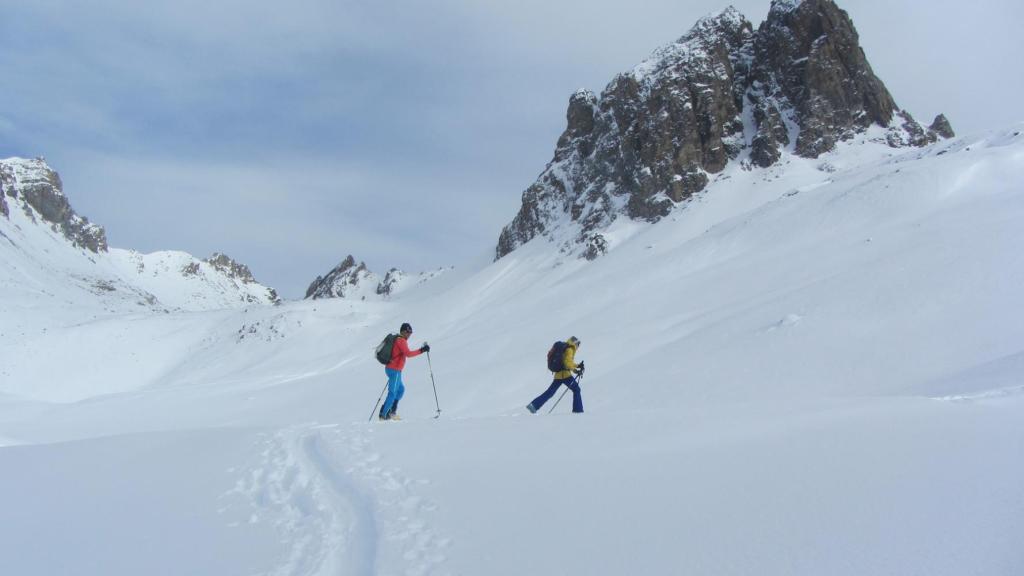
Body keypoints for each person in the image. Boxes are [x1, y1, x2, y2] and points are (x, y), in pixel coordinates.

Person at [380, 322, 430, 421]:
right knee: (392, 393)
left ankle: (391, 411)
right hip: (395, 370)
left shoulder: (398, 339)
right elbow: (408, 354)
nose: (409, 334)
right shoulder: (401, 340)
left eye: (410, 332)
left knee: (400, 390)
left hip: (393, 369)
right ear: (403, 331)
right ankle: (384, 415)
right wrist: (422, 350)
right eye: (408, 332)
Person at [527, 336, 584, 414]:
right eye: (578, 344)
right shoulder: (570, 349)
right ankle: (578, 411)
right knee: (576, 389)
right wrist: (577, 366)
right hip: (565, 375)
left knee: (550, 392)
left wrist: (575, 370)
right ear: (575, 343)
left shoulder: (563, 347)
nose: (578, 346)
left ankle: (533, 405)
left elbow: (565, 363)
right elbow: (568, 364)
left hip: (558, 375)